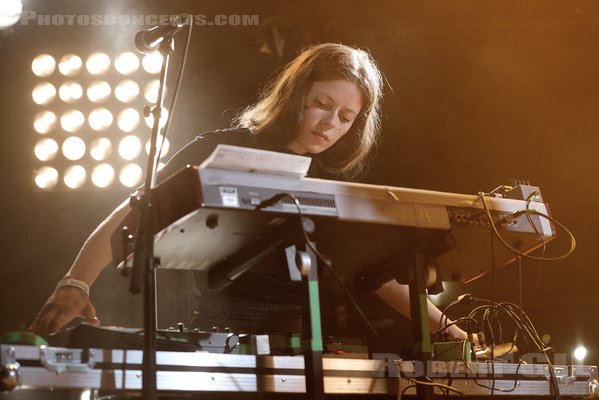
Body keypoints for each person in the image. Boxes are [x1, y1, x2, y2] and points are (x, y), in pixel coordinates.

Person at [28, 43, 466, 343]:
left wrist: (449, 331)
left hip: (304, 337)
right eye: (322, 104)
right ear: (295, 94)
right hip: (223, 330)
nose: (331, 123)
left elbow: (379, 276)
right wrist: (74, 283)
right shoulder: (219, 148)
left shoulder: (325, 182)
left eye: (346, 117)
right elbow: (136, 211)